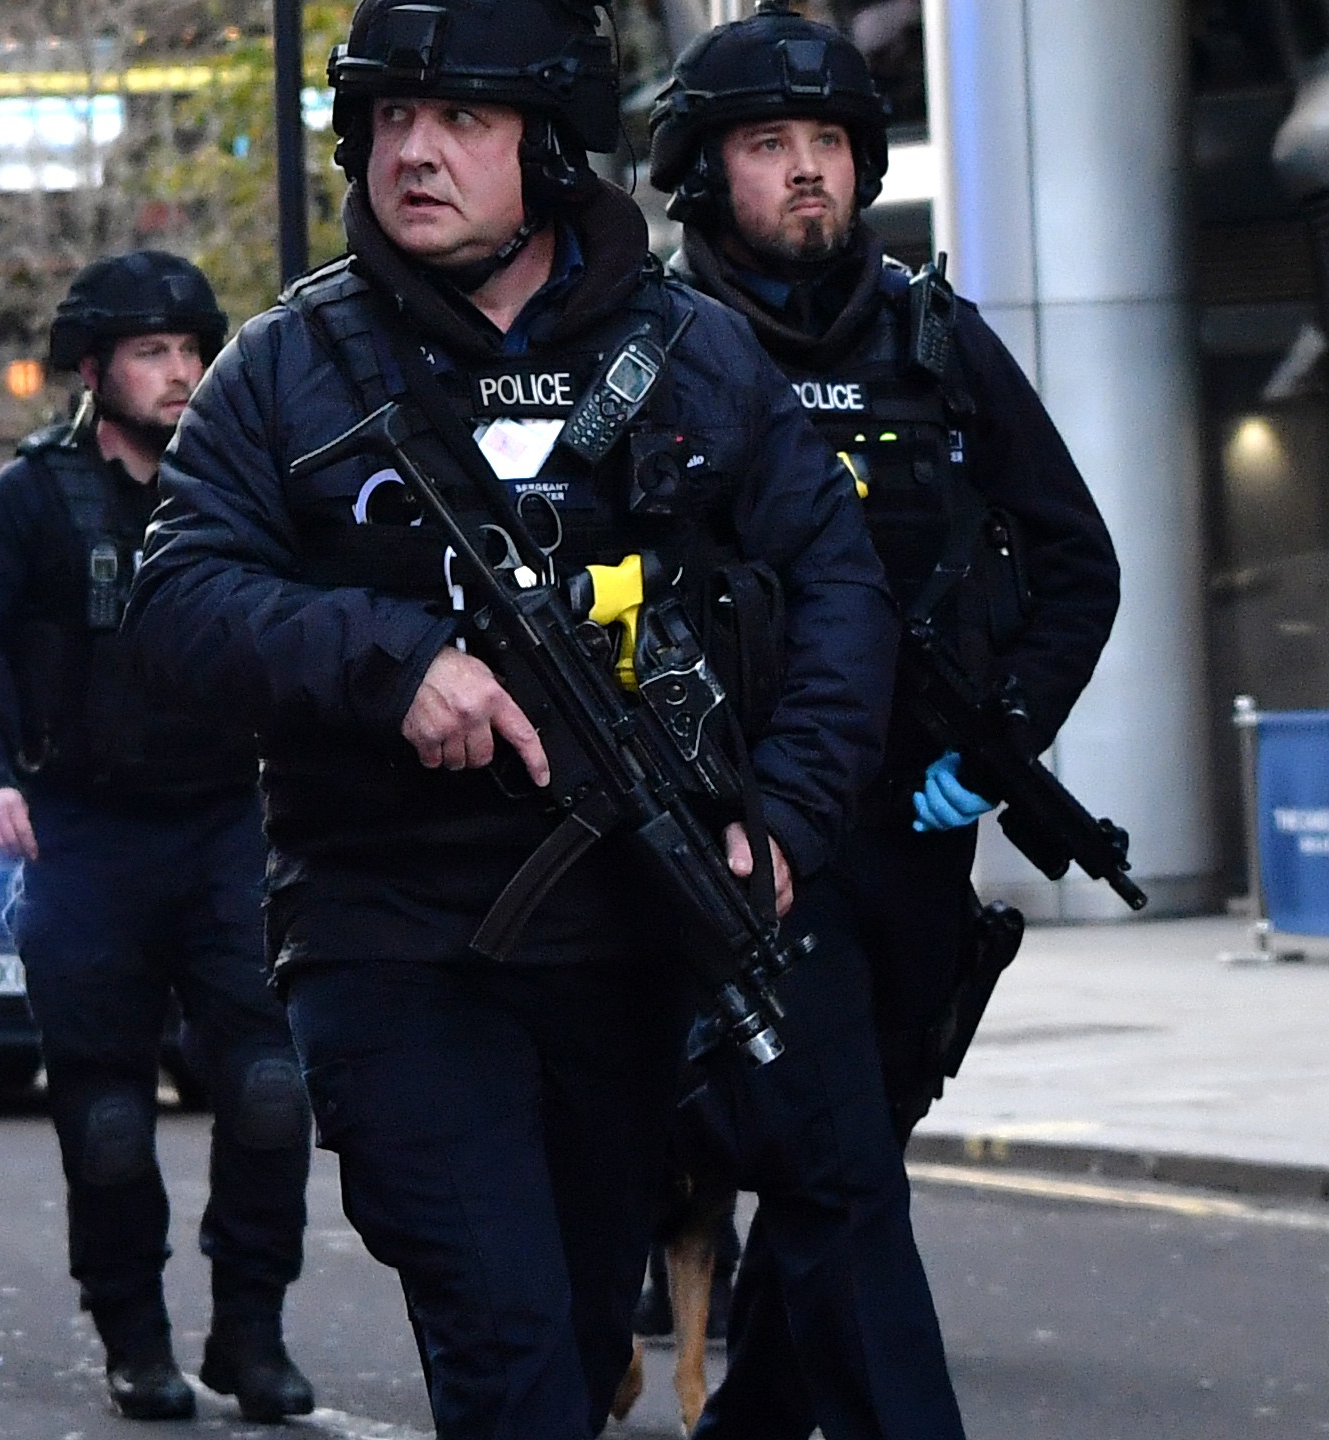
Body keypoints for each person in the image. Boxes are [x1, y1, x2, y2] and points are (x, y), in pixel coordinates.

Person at [122, 1, 899, 1435]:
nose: (414, 154)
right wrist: (390, 663)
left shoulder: (694, 355)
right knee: (508, 1348)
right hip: (393, 940)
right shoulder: (284, 372)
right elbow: (178, 605)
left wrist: (787, 815)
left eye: (460, 121)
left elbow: (838, 590)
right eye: (390, 123)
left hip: (631, 946)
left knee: (586, 1324)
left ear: (545, 148)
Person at [647, 6, 1120, 1437]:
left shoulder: (937, 337)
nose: (808, 171)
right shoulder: (645, 347)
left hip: (913, 845)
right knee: (839, 1170)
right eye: (770, 144)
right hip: (747, 846)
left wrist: (1000, 741)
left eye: (832, 145)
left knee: (836, 1176)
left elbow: (1075, 563)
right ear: (704, 169)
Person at [0, 252, 317, 1424]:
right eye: (154, 353)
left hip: (230, 826)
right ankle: (134, 1336)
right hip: (82, 837)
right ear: (95, 371)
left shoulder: (249, 489)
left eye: (195, 351)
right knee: (104, 1113)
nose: (182, 372)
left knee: (267, 1086)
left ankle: (253, 1328)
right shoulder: (29, 502)